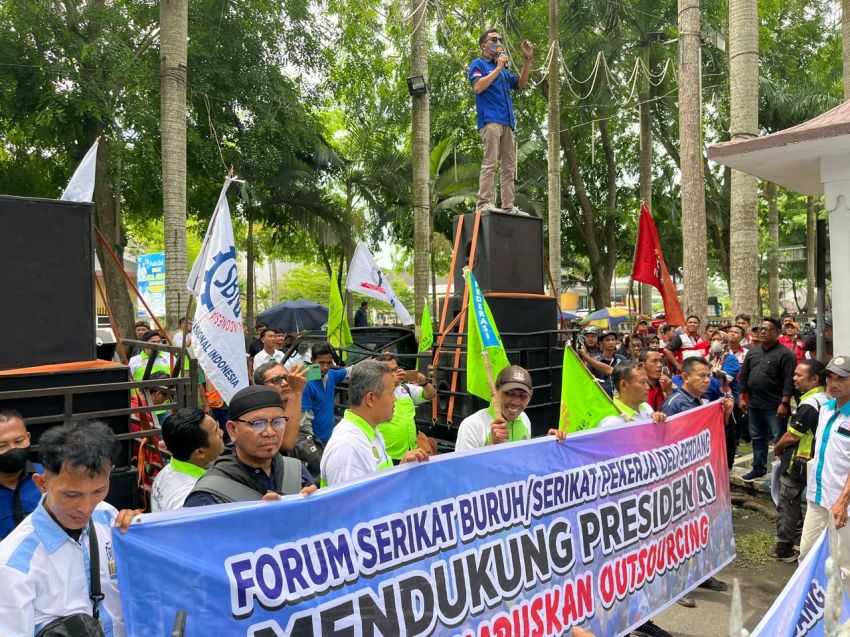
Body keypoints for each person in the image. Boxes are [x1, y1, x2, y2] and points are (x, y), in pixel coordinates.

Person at [0, 421, 139, 636]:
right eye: (71, 495)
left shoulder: (107, 516)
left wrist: (140, 537)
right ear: (42, 483)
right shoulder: (14, 565)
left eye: (99, 490)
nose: (85, 508)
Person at [594, 363, 671, 637]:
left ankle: (640, 616)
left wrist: (658, 423)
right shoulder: (609, 421)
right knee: (620, 568)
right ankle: (619, 624)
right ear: (623, 385)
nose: (648, 386)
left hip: (646, 504)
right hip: (620, 508)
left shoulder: (646, 411)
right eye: (640, 381)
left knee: (642, 565)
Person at [660, 356, 731, 606]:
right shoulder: (675, 403)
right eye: (701, 375)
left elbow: (709, 434)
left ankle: (701, 575)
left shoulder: (702, 402)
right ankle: (677, 586)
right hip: (681, 481)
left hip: (700, 476)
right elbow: (669, 443)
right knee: (680, 533)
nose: (706, 379)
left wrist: (725, 414)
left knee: (701, 528)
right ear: (684, 376)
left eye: (708, 375)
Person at [184, 386, 316, 507]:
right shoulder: (208, 495)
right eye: (257, 423)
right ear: (233, 430)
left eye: (277, 422)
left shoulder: (295, 471)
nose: (269, 432)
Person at [320, 360, 430, 486]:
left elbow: (377, 490)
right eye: (391, 393)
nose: (395, 399)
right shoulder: (348, 448)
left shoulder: (370, 431)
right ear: (371, 399)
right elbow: (353, 505)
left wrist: (400, 469)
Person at [798, 355, 850, 594]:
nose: (833, 382)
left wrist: (842, 501)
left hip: (843, 507)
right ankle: (809, 611)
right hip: (817, 499)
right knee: (806, 556)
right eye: (830, 376)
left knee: (844, 568)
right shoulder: (826, 409)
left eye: (842, 378)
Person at [469, 28, 533, 214]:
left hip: (507, 122)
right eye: (494, 39)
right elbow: (478, 87)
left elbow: (521, 84)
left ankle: (508, 206)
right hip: (490, 120)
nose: (498, 43)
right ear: (483, 46)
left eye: (500, 39)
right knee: (490, 162)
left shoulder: (504, 72)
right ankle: (484, 203)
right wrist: (497, 68)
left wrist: (527, 59)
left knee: (509, 166)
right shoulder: (479, 64)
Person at [769, 360, 827, 562]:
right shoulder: (825, 398)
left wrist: (777, 448)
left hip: (798, 462)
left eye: (799, 375)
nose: (794, 378)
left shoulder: (810, 404)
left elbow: (793, 435)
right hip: (816, 461)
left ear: (814, 379)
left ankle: (783, 548)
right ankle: (799, 538)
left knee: (787, 503)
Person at [739, 317, 797, 481]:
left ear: (777, 332)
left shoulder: (786, 354)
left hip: (775, 405)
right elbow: (744, 376)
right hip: (755, 403)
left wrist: (785, 403)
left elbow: (788, 381)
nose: (762, 332)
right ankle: (758, 468)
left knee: (779, 438)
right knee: (757, 437)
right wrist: (741, 397)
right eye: (760, 329)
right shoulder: (753, 352)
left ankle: (782, 471)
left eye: (767, 329)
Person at [455, 365, 565, 450]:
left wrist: (548, 444)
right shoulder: (472, 426)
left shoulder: (524, 419)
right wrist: (492, 445)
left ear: (530, 397)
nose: (516, 402)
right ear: (495, 391)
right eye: (509, 393)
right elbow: (462, 473)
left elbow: (524, 463)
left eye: (523, 396)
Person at [151, 408, 224, 512]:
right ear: (199, 453)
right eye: (216, 430)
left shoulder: (166, 472)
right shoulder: (195, 499)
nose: (221, 433)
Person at [372, 353, 437, 463]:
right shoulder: (375, 392)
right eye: (389, 371)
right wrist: (392, 382)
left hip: (411, 452)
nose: (394, 373)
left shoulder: (406, 389)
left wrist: (424, 383)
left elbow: (431, 394)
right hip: (388, 455)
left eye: (396, 369)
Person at [0, 410, 41, 540]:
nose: (13, 449)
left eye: (19, 441)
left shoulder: (48, 478)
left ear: (28, 437)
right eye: (2, 445)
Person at [302, 342, 351, 445]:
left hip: (330, 438)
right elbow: (304, 423)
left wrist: (377, 362)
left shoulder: (331, 375)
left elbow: (349, 371)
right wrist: (312, 445)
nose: (325, 367)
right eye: (321, 363)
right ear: (312, 360)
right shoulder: (305, 382)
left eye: (329, 363)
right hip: (315, 443)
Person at [254, 360, 308, 454]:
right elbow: (286, 444)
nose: (285, 383)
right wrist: (296, 392)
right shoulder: (260, 415)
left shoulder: (294, 405)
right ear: (261, 387)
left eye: (287, 378)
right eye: (276, 380)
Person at [598, 362, 666, 427]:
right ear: (623, 385)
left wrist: (659, 418)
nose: (648, 387)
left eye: (647, 382)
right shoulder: (610, 422)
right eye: (642, 382)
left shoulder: (646, 407)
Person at [580, 330, 626, 398]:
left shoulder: (622, 359)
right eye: (607, 340)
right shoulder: (594, 362)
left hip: (621, 400)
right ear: (601, 344)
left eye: (613, 339)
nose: (611, 342)